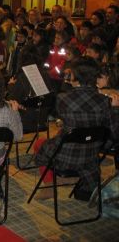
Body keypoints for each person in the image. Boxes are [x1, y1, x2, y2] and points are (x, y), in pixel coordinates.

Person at [34, 57, 119, 201]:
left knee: (40, 143)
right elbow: (114, 133)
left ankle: (50, 184)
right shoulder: (105, 101)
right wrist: (115, 109)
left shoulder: (63, 98)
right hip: (91, 156)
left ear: (75, 76)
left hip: (64, 156)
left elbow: (64, 118)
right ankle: (74, 179)